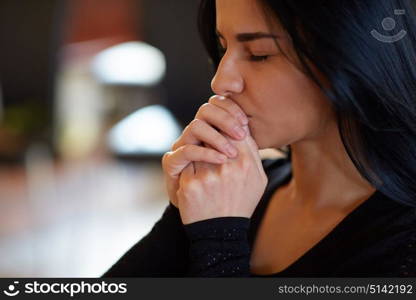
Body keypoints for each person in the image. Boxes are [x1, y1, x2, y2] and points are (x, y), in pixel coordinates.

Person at [102, 0, 416, 277]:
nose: (220, 81)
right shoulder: (237, 196)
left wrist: (219, 240)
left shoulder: (403, 242)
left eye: (258, 54)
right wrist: (184, 216)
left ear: (353, 55)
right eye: (223, 48)